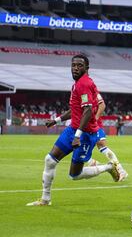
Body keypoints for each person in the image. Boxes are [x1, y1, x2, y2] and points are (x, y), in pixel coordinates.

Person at [26, 55, 123, 206]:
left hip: (84, 134)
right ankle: (45, 199)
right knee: (50, 160)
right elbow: (75, 110)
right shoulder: (77, 84)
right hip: (73, 129)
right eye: (73, 65)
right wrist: (56, 120)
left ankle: (109, 167)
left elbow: (88, 111)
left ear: (86, 68)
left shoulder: (84, 84)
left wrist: (78, 136)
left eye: (79, 65)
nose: (76, 68)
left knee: (74, 175)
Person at [86, 93, 128, 181]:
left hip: (94, 125)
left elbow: (102, 105)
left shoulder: (94, 92)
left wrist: (96, 119)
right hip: (85, 125)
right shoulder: (81, 93)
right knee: (78, 145)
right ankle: (92, 162)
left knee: (101, 145)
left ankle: (120, 170)